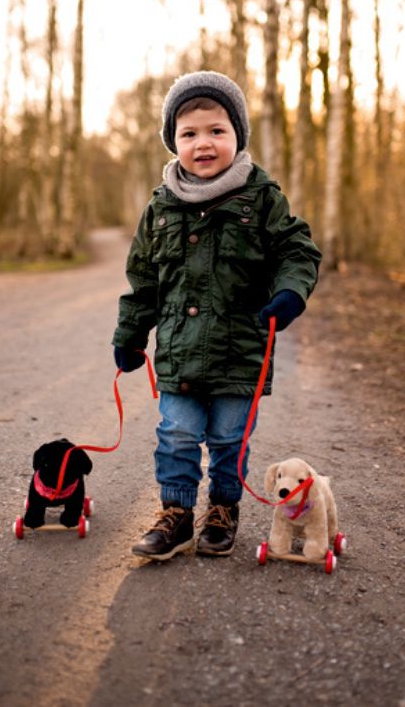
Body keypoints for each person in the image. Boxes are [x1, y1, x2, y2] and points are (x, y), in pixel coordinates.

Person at [112, 70, 322, 560]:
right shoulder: (161, 208)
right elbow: (143, 279)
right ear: (173, 143)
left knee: (229, 440)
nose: (202, 143)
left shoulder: (261, 198)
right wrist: (130, 334)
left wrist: (290, 292)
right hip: (180, 353)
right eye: (189, 134)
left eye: (216, 131)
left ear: (237, 135)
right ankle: (177, 516)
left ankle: (223, 509)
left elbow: (297, 250)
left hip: (240, 351)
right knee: (177, 435)